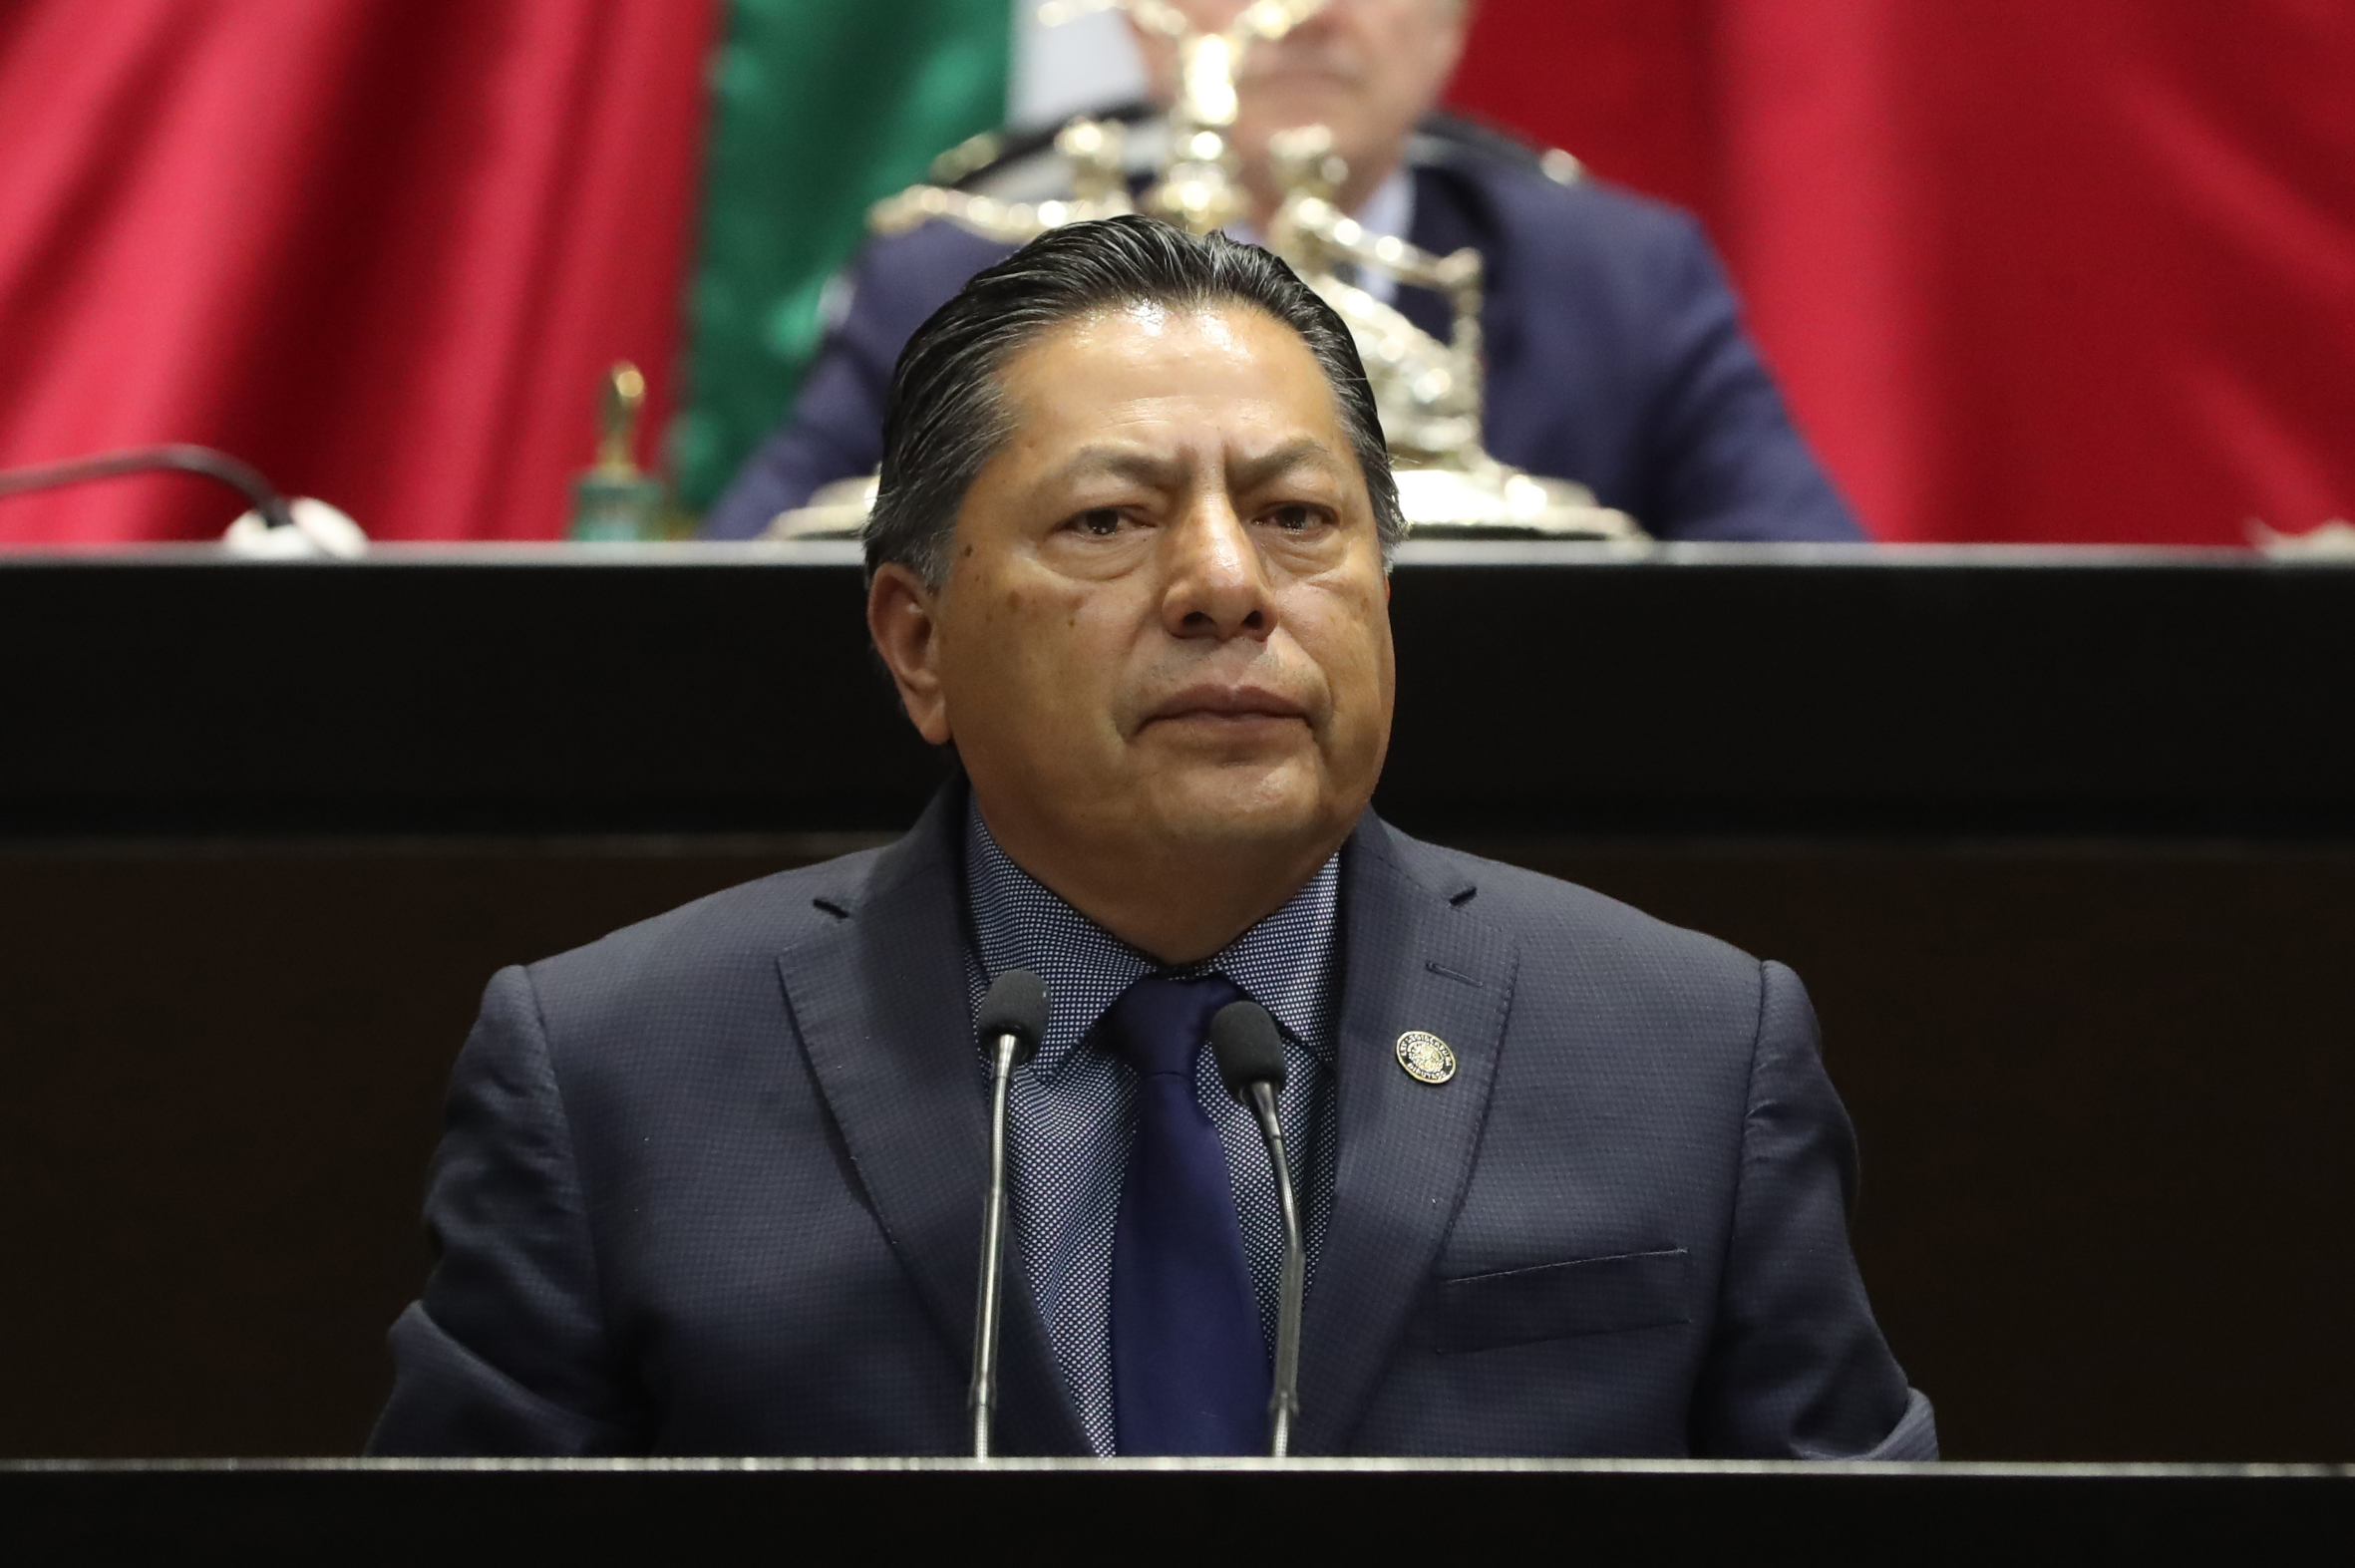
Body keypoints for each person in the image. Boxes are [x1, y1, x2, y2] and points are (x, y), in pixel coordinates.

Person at [374, 216, 1930, 1458]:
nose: (1225, 585)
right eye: (1109, 520)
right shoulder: (615, 1075)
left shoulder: (1687, 1052)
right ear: (916, 641)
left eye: (1297, 517)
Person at [703, 0, 1861, 544]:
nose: (1303, 17)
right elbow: (740, 610)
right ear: (1141, 23)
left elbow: (1815, 626)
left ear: (1454, 23)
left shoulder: (1619, 284)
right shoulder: (945, 286)